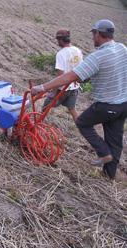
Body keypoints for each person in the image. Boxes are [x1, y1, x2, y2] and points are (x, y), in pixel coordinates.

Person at [31, 19, 127, 180]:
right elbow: (103, 72)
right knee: (115, 140)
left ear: (98, 34)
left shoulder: (98, 56)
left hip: (106, 105)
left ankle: (104, 153)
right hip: (123, 104)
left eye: (93, 34)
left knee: (82, 122)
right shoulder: (122, 48)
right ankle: (109, 175)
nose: (92, 38)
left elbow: (68, 76)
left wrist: (42, 87)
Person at [42, 30, 83, 121]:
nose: (57, 42)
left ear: (60, 40)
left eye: (58, 40)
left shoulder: (61, 54)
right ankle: (82, 127)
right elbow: (81, 70)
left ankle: (38, 124)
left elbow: (60, 76)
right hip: (74, 87)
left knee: (46, 106)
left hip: (63, 88)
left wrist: (53, 91)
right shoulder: (77, 51)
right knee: (72, 109)